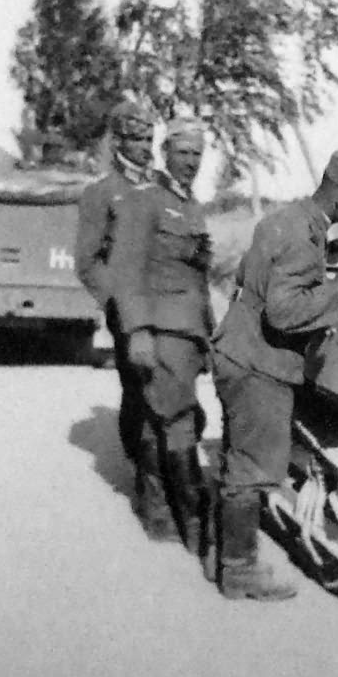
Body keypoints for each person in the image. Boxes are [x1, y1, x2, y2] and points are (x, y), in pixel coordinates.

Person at [209, 148, 338, 601]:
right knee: (251, 469)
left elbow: (250, 277)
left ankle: (225, 555)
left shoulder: (283, 220)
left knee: (237, 455)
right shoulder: (305, 240)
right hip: (259, 363)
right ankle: (239, 572)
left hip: (236, 349)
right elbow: (285, 315)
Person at [108, 118, 215, 552]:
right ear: (165, 153)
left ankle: (156, 510)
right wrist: (137, 331)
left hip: (188, 330)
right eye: (183, 153)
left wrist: (207, 334)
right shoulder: (145, 201)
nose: (190, 162)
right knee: (180, 419)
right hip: (160, 328)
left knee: (161, 418)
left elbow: (198, 278)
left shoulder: (193, 207)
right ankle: (196, 524)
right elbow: (126, 271)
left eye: (197, 155)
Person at [74, 101, 162, 527]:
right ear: (119, 141)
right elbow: (88, 262)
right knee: (140, 388)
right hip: (128, 308)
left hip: (169, 304)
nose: (146, 147)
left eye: (150, 139)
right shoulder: (100, 192)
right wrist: (117, 305)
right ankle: (146, 479)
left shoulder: (162, 187)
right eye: (137, 139)